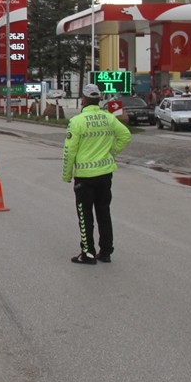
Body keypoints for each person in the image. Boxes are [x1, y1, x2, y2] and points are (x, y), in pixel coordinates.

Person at [62, 84, 132, 265]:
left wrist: (67, 174)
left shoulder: (77, 121)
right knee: (103, 212)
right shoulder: (108, 118)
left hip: (85, 176)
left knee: (85, 216)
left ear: (83, 100)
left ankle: (88, 253)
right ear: (98, 99)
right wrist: (111, 153)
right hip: (105, 174)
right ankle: (106, 251)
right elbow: (125, 135)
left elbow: (69, 150)